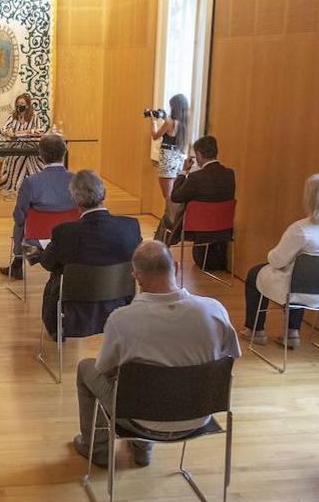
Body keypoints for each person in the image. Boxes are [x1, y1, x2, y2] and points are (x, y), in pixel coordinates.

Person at [71, 241, 241, 467]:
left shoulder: (122, 319)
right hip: (200, 415)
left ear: (137, 277)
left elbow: (104, 368)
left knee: (87, 368)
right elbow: (230, 357)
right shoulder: (214, 310)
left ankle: (99, 449)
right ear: (177, 268)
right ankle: (141, 450)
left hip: (139, 419)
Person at [243, 173, 319, 348]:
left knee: (255, 274)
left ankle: (256, 331)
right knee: (303, 275)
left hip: (305, 292)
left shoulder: (302, 229)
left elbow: (276, 261)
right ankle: (292, 333)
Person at [41, 170, 142, 339]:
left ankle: (55, 330)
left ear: (75, 200)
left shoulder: (64, 233)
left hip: (75, 309)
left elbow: (47, 263)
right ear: (105, 194)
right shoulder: (130, 227)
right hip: (119, 302)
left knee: (55, 276)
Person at [0, 133, 75, 279]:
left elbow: (19, 216)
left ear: (40, 154)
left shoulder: (31, 182)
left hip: (37, 240)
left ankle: (18, 261)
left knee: (21, 219)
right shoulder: (76, 179)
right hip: (72, 238)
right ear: (64, 152)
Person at [169, 134, 236, 269]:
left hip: (198, 228)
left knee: (168, 213)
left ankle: (161, 250)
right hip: (223, 227)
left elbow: (175, 196)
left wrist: (183, 171)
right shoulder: (229, 173)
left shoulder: (195, 177)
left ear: (198, 155)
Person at [0, 92, 49, 193]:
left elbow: (41, 131)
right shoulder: (13, 117)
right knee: (17, 157)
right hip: (16, 144)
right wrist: (8, 132)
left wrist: (28, 132)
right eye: (18, 103)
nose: (20, 106)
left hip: (31, 145)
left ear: (28, 105)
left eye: (22, 103)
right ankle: (17, 185)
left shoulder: (34, 117)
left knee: (28, 157)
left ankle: (32, 186)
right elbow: (3, 130)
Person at [150, 93, 190, 201]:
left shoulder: (169, 122)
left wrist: (154, 122)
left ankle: (170, 217)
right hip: (178, 160)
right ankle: (173, 216)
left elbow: (155, 136)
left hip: (167, 160)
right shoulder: (184, 124)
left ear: (174, 107)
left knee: (168, 197)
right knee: (174, 194)